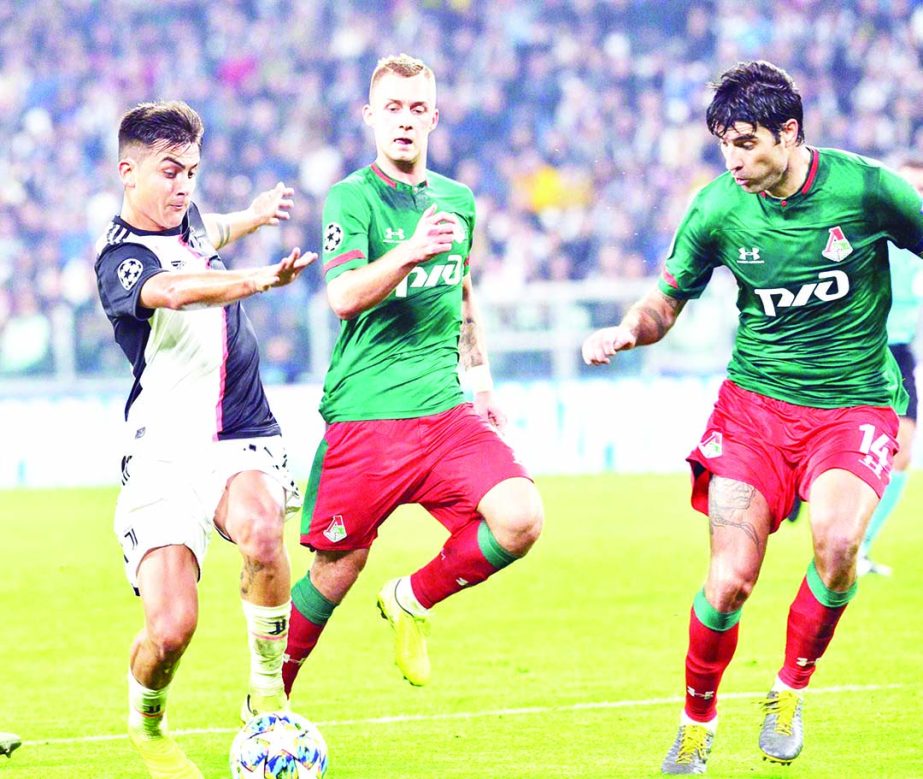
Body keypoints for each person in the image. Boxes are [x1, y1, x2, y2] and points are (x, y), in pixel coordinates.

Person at [582, 61, 923, 775]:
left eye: (744, 143)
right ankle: (695, 724)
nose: (732, 160)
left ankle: (787, 693)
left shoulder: (865, 189)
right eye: (723, 146)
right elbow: (665, 300)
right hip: (753, 412)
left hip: (853, 404)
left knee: (835, 547)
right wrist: (627, 329)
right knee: (729, 579)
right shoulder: (716, 209)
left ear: (788, 132)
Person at [281, 54, 544, 696]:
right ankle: (267, 693)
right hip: (367, 415)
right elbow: (342, 295)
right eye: (392, 108)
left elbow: (460, 289)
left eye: (416, 108)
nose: (404, 121)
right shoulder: (351, 197)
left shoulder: (458, 201)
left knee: (520, 517)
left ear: (434, 116)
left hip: (445, 410)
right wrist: (408, 251)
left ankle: (412, 599)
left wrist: (481, 385)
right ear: (371, 117)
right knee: (338, 569)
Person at [95, 101, 315, 779]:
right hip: (162, 452)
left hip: (238, 428)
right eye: (170, 171)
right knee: (171, 629)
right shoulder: (119, 260)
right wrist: (254, 279)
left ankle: (266, 689)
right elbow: (181, 289)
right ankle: (149, 723)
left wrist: (252, 215)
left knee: (262, 531)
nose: (184, 183)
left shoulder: (188, 219)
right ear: (128, 172)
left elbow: (209, 230)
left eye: (192, 169)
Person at [858, 158, 923, 576]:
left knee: (901, 455)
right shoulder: (873, 233)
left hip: (900, 352)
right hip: (862, 349)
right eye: (909, 186)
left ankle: (860, 548)